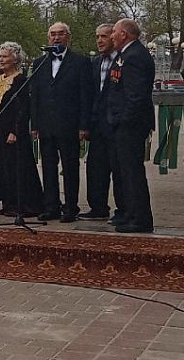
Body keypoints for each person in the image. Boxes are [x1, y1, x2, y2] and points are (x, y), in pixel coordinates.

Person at [30, 22, 93, 223]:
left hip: (69, 124)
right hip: (46, 125)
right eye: (53, 35)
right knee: (47, 167)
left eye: (60, 34)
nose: (56, 38)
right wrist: (35, 124)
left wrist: (84, 125)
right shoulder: (39, 62)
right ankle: (51, 206)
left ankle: (70, 207)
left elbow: (85, 96)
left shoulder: (80, 62)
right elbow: (36, 96)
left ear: (68, 37)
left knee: (70, 167)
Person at [107, 18, 155, 233]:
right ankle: (130, 213)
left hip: (131, 125)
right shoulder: (125, 54)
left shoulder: (134, 56)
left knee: (132, 172)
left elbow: (135, 95)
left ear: (124, 34)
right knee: (124, 171)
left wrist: (123, 119)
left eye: (114, 32)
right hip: (122, 123)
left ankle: (140, 219)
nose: (111, 36)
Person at [0, 42, 43, 217]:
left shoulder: (20, 80)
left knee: (18, 168)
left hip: (14, 131)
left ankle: (25, 204)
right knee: (3, 168)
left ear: (15, 59)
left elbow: (23, 109)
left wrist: (15, 130)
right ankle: (8, 203)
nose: (1, 60)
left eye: (5, 56)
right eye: (0, 56)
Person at [82, 24, 124, 222]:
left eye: (104, 36)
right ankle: (98, 207)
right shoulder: (95, 62)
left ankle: (123, 209)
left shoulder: (122, 60)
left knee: (118, 168)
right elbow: (90, 94)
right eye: (97, 36)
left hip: (116, 124)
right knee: (95, 167)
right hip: (98, 124)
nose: (99, 40)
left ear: (113, 38)